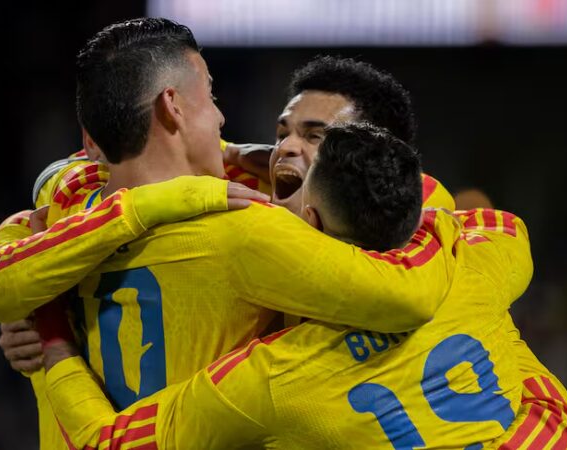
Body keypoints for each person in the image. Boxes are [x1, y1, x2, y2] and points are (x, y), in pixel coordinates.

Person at [0, 20, 454, 450]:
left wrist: (47, 325)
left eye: (315, 138)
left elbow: (10, 258)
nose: (221, 118)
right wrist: (465, 227)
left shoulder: (67, 210)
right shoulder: (249, 229)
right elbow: (407, 291)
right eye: (210, 96)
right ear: (173, 106)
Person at [38, 123, 541, 448]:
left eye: (291, 194)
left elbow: (106, 442)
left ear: (313, 222)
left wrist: (52, 332)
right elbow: (501, 226)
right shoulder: (471, 267)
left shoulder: (280, 376)